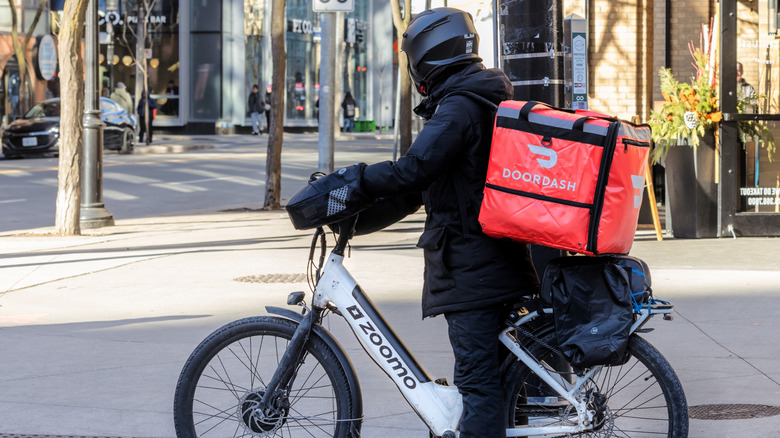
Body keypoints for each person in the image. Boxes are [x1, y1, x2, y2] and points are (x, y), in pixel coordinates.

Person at [357, 8, 539, 437]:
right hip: (495, 261)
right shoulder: (479, 97)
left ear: (428, 56)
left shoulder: (458, 107)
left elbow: (414, 169)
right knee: (500, 385)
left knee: (479, 386)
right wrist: (358, 216)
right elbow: (425, 186)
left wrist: (355, 179)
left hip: (473, 270)